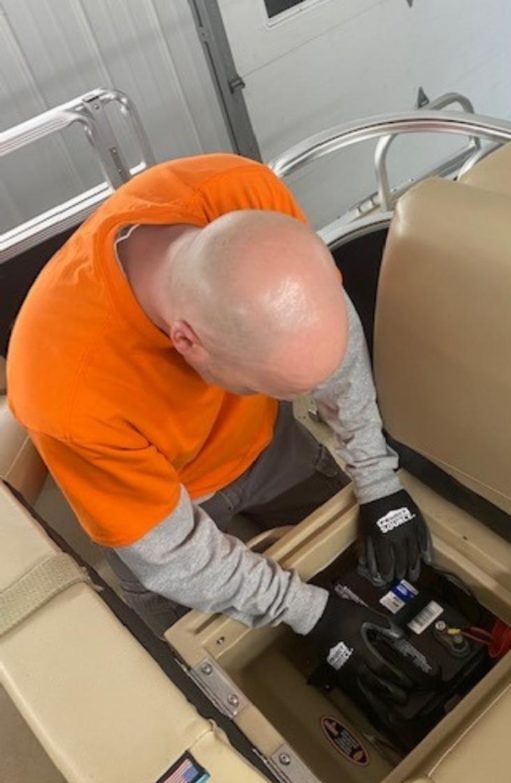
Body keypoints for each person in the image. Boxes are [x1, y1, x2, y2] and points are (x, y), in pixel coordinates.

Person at [7, 153, 431, 678]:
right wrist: (311, 613)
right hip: (162, 505)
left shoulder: (245, 195)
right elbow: (173, 557)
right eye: (266, 385)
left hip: (267, 446)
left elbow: (330, 345)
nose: (305, 397)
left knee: (357, 562)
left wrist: (376, 479)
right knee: (202, 663)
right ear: (185, 341)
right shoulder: (65, 390)